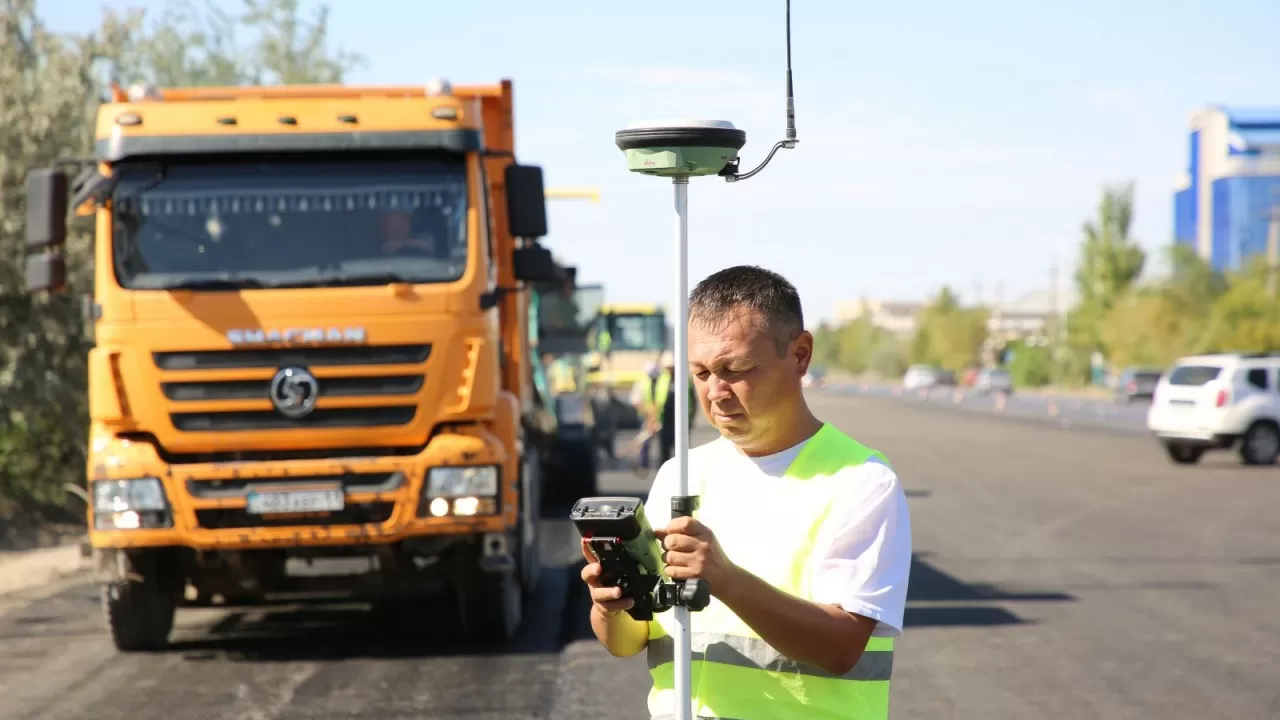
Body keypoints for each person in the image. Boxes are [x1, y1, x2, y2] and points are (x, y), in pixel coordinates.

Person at [580, 265, 912, 720]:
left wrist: (726, 579)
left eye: (735, 369)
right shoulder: (681, 474)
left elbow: (840, 647)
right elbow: (629, 643)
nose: (715, 392)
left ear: (800, 355)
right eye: (699, 373)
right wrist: (611, 607)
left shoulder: (861, 482)